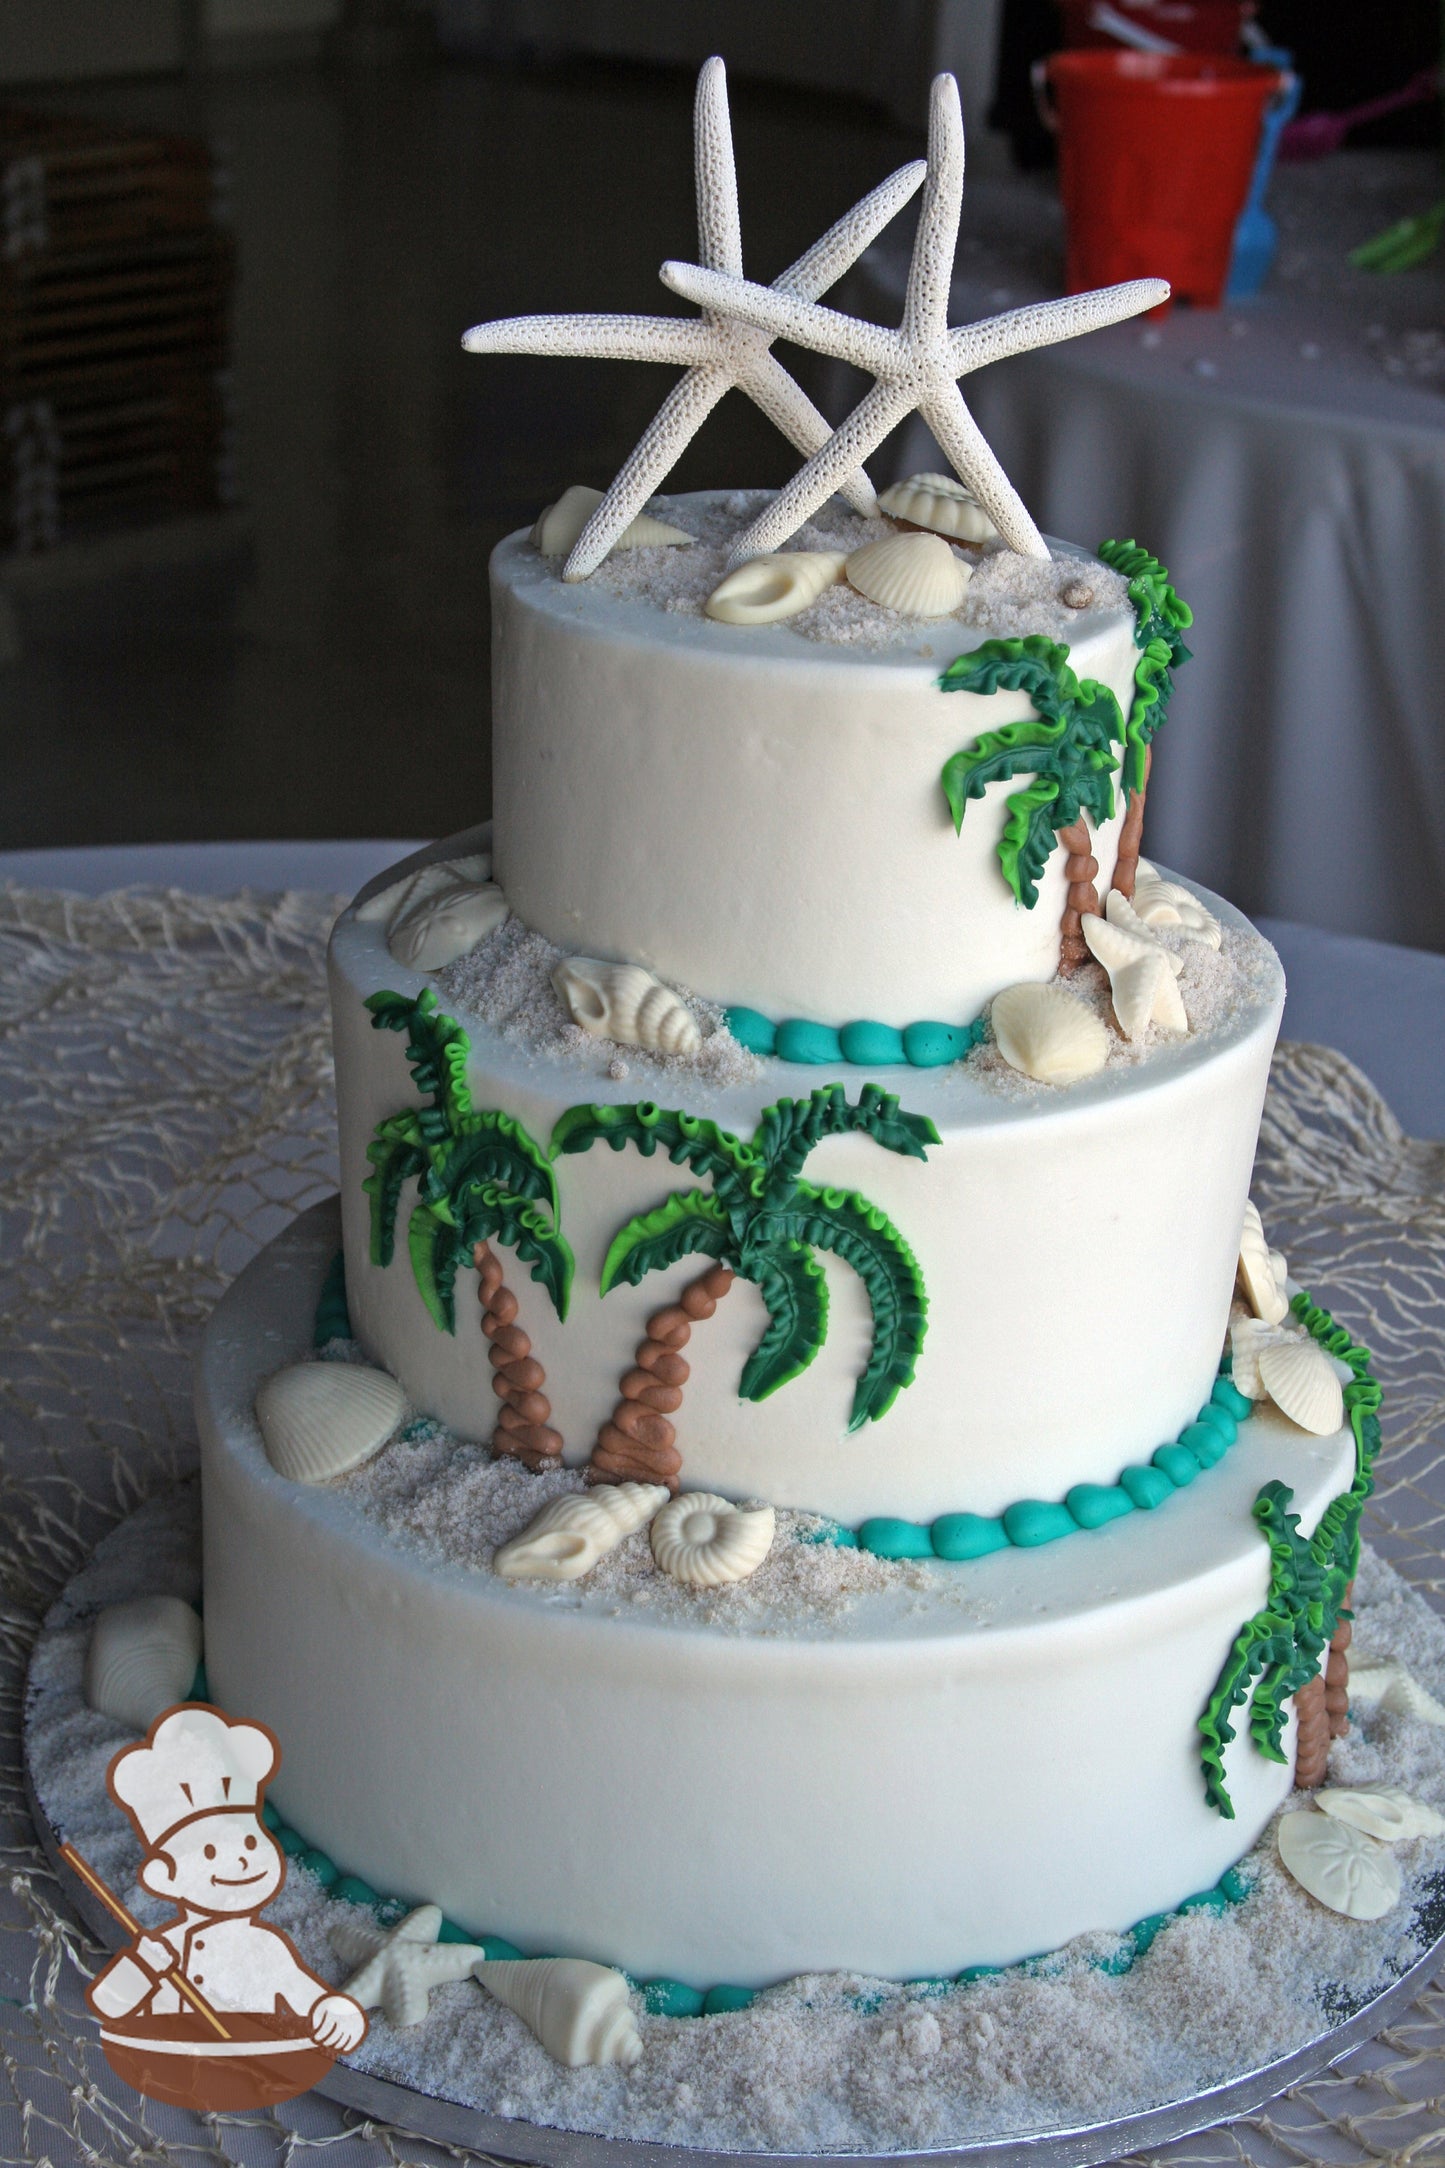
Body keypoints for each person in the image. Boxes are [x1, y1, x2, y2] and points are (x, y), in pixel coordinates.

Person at [88, 1704, 366, 2053]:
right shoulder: (165, 1946)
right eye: (209, 1854)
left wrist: (338, 2017)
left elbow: (312, 2003)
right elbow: (110, 2001)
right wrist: (143, 1964)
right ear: (165, 1879)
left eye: (250, 1843)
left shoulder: (267, 1948)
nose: (240, 1860)